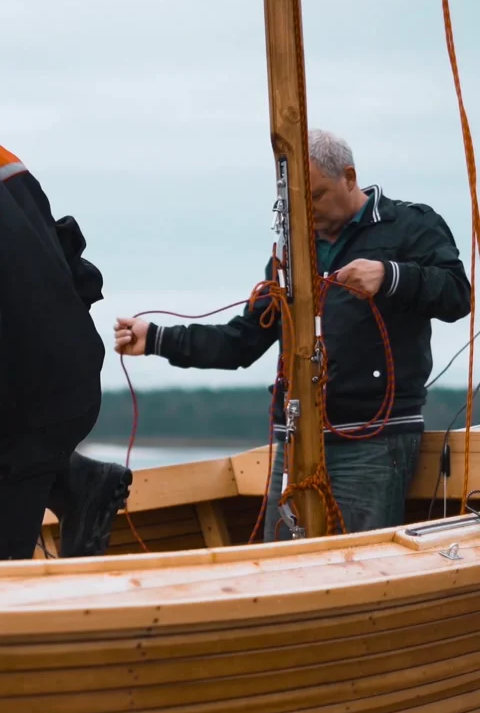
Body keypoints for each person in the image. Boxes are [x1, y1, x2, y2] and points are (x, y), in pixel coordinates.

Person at [113, 129, 471, 540]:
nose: (307, 210)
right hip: (295, 439)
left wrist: (391, 276)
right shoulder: (292, 249)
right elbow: (244, 340)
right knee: (281, 564)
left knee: (357, 566)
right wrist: (157, 338)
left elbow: (458, 296)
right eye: (297, 200)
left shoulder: (410, 224)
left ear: (350, 177)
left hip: (374, 440)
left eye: (316, 195)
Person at [0, 143, 131, 559]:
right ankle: (74, 479)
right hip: (61, 363)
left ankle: (74, 481)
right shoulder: (5, 159)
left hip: (25, 390)